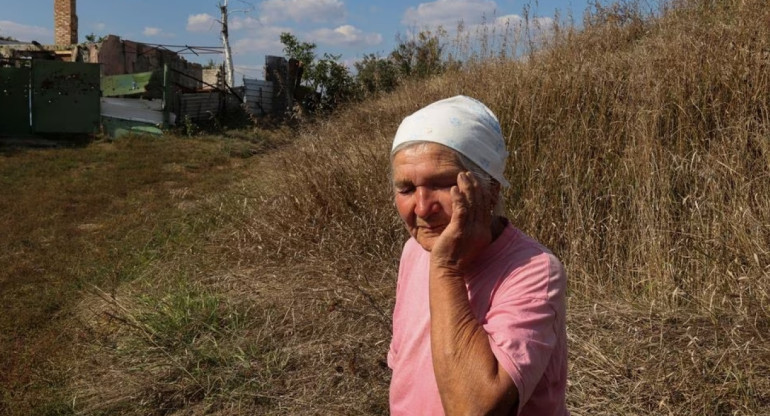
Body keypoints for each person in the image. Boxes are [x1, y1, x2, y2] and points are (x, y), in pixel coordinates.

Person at [387, 96, 568, 415]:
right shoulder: (413, 251)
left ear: (491, 189)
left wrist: (445, 269)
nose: (421, 208)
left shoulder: (533, 271)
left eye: (442, 183)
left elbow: (475, 408)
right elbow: (405, 365)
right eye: (405, 189)